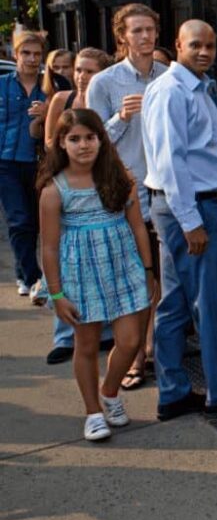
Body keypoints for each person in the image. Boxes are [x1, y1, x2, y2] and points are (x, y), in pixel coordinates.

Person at [143, 19, 217, 421]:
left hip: (199, 202)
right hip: (187, 208)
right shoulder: (172, 91)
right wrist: (192, 219)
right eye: (196, 45)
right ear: (177, 45)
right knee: (209, 303)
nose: (205, 52)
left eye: (211, 45)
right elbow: (170, 162)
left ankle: (174, 393)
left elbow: (203, 154)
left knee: (175, 303)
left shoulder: (198, 87)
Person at [37, 108, 157, 441]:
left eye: (90, 137)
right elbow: (48, 248)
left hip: (123, 268)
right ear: (61, 143)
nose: (84, 145)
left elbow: (138, 228)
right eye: (74, 139)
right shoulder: (53, 191)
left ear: (101, 140)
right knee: (87, 344)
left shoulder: (122, 179)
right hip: (80, 275)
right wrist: (57, 294)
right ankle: (93, 412)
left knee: (132, 340)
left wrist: (148, 271)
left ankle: (110, 391)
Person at [87, 3, 170, 388]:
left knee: (159, 278)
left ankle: (149, 349)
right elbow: (92, 143)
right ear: (122, 37)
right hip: (124, 196)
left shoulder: (169, 77)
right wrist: (121, 117)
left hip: (164, 191)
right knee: (132, 280)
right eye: (137, 31)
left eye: (150, 30)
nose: (145, 37)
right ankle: (133, 355)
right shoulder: (104, 83)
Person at [40, 48, 116, 362]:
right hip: (66, 184)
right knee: (63, 255)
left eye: (90, 70)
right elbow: (48, 141)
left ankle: (105, 332)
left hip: (100, 185)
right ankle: (65, 336)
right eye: (79, 70)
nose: (83, 76)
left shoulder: (106, 99)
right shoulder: (63, 100)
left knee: (102, 256)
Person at [1, 31, 60, 301]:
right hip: (6, 163)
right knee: (19, 220)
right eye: (26, 53)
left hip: (39, 164)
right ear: (16, 55)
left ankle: (25, 273)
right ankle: (33, 277)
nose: (32, 59)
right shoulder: (3, 85)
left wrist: (48, 113)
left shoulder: (51, 87)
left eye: (37, 54)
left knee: (37, 222)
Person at [43, 48, 113, 146]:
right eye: (78, 70)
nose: (81, 76)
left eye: (89, 72)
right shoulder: (60, 99)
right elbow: (49, 142)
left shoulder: (111, 103)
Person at [28, 49, 74, 141]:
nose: (61, 72)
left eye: (65, 67)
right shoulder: (43, 93)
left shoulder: (84, 91)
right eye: (56, 68)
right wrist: (39, 119)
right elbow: (35, 134)